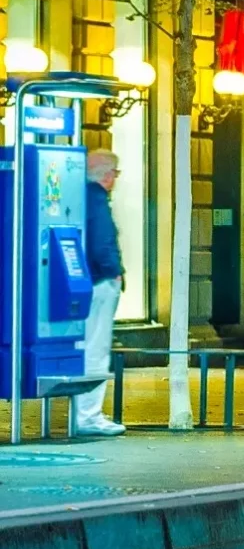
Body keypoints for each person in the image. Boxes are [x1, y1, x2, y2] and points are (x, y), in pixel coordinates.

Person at [72, 151, 124, 437]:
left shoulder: (79, 196)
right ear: (107, 175)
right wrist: (113, 271)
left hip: (84, 281)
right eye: (115, 173)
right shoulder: (97, 199)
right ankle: (89, 415)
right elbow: (102, 240)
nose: (115, 179)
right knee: (96, 347)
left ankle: (81, 413)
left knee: (85, 345)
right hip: (100, 281)